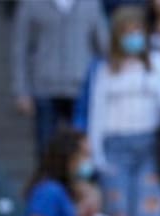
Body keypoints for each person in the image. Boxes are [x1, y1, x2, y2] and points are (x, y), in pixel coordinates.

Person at [81, 5, 160, 216]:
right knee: (118, 212)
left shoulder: (159, 63)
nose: (133, 37)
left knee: (148, 211)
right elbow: (96, 113)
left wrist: (150, 81)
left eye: (137, 31)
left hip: (149, 145)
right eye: (127, 32)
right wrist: (96, 154)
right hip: (115, 145)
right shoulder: (104, 69)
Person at [14, 0, 108, 157]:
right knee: (46, 149)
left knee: (81, 150)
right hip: (44, 87)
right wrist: (21, 90)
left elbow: (103, 45)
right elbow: (21, 47)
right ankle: (48, 182)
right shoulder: (31, 4)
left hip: (81, 89)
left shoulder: (90, 3)